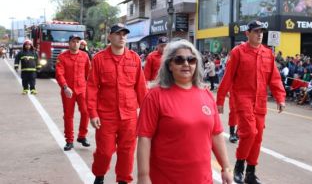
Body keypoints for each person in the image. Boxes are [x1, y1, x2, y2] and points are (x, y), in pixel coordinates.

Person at [137, 39, 233, 184]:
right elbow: (145, 138)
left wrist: (226, 167)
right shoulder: (155, 96)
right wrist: (143, 177)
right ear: (169, 64)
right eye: (179, 60)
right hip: (166, 179)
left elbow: (216, 134)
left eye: (191, 60)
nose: (186, 64)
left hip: (202, 179)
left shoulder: (206, 95)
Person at [216, 20, 286, 184]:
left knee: (258, 137)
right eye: (256, 31)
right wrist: (220, 100)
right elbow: (228, 76)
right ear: (247, 34)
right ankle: (239, 166)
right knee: (250, 132)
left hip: (260, 101)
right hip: (243, 99)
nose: (259, 34)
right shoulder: (238, 52)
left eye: (261, 31)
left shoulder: (268, 54)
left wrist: (280, 97)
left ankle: (251, 172)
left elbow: (274, 79)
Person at [87, 24, 148, 184]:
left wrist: (147, 113)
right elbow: (92, 87)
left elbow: (141, 88)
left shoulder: (134, 58)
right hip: (106, 115)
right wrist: (93, 114)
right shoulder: (100, 59)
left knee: (127, 152)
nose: (122, 37)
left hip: (129, 116)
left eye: (124, 34)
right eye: (118, 34)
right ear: (110, 37)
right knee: (105, 152)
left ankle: (123, 180)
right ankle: (99, 175)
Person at [55, 34, 91, 151]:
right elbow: (59, 73)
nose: (75, 43)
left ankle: (82, 136)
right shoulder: (62, 57)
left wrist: (91, 88)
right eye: (73, 41)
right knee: (68, 116)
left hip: (82, 89)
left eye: (77, 41)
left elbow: (88, 74)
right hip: (68, 91)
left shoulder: (85, 56)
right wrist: (65, 87)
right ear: (69, 43)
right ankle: (69, 140)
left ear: (80, 43)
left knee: (86, 112)